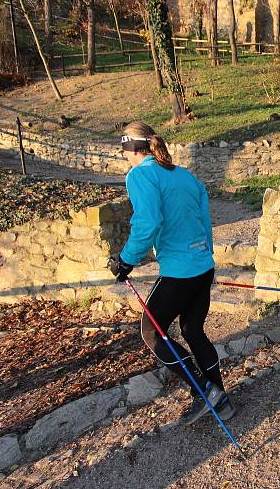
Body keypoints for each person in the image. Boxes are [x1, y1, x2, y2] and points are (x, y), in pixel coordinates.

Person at [107, 121, 234, 423]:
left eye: (123, 149)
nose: (124, 155)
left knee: (152, 332)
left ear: (130, 149)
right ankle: (221, 399)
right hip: (202, 266)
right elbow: (204, 218)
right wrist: (206, 255)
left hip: (180, 272)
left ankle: (205, 390)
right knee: (192, 330)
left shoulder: (140, 175)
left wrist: (126, 260)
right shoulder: (184, 175)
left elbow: (148, 222)